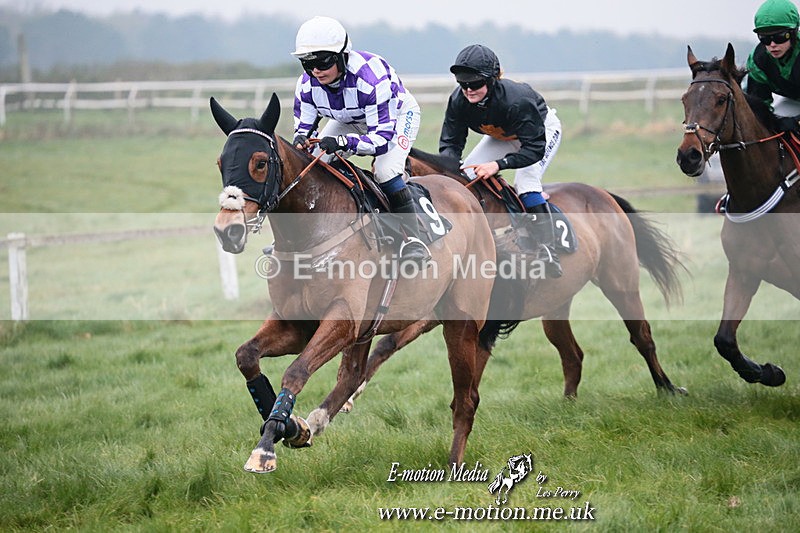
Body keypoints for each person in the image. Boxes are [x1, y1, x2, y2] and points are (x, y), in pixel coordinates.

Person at [290, 16, 430, 265]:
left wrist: (343, 143)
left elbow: (381, 142)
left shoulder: (370, 79)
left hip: (395, 116)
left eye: (323, 62)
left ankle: (413, 238)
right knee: (313, 162)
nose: (316, 71)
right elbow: (303, 131)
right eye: (307, 63)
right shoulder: (306, 86)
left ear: (342, 56)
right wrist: (302, 140)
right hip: (351, 116)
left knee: (385, 171)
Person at [439, 44, 563, 278]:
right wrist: (447, 174)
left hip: (539, 134)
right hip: (503, 136)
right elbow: (451, 145)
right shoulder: (458, 100)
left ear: (493, 79)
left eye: (475, 84)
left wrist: (498, 165)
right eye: (463, 83)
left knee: (526, 183)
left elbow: (534, 149)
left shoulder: (518, 100)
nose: (468, 90)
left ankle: (548, 249)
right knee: (467, 175)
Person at [746, 0, 800, 128]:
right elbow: (759, 105)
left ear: (794, 32)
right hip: (792, 101)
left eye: (780, 37)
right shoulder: (757, 60)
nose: (772, 45)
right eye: (764, 38)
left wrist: (797, 121)